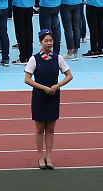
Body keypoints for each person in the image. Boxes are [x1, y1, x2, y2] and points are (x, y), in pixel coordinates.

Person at [25, 28, 73, 170]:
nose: (49, 43)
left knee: (51, 128)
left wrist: (57, 86)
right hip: (39, 97)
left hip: (53, 96)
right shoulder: (34, 59)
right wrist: (43, 88)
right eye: (46, 41)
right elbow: (27, 79)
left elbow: (69, 75)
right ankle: (40, 156)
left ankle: (49, 156)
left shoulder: (58, 58)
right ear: (40, 42)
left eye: (51, 40)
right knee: (40, 128)